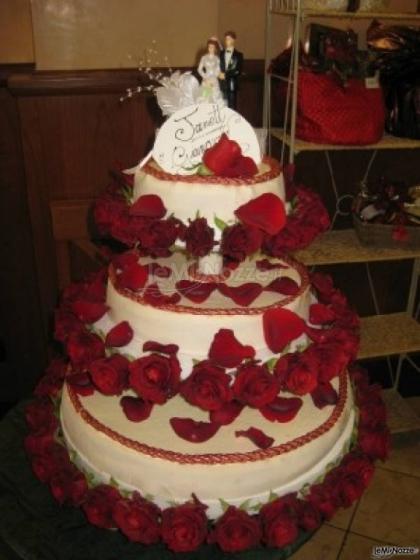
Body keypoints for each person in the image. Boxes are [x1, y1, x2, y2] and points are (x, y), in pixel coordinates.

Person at [219, 30, 243, 110]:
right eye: (226, 39)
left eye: (229, 39)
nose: (227, 41)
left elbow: (238, 71)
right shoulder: (221, 53)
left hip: (231, 85)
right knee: (221, 105)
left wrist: (225, 75)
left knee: (232, 107)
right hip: (221, 84)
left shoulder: (239, 55)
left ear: (233, 40)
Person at [197, 38, 224, 104]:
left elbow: (218, 69)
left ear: (215, 48)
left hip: (214, 81)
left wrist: (214, 78)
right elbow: (199, 69)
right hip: (206, 80)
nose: (211, 49)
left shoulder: (217, 59)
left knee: (216, 98)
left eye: (212, 47)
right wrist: (205, 77)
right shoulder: (204, 58)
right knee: (205, 98)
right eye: (209, 47)